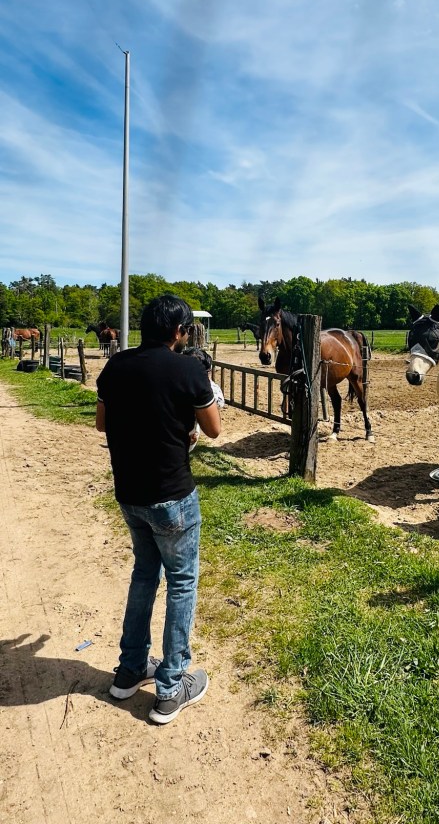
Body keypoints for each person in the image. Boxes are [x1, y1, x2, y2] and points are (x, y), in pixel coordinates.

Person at [96, 295, 221, 724]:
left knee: (144, 575)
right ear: (179, 331)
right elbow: (214, 429)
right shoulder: (188, 369)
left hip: (130, 495)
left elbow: (102, 423)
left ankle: (130, 669)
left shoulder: (116, 366)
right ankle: (171, 686)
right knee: (182, 581)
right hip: (172, 496)